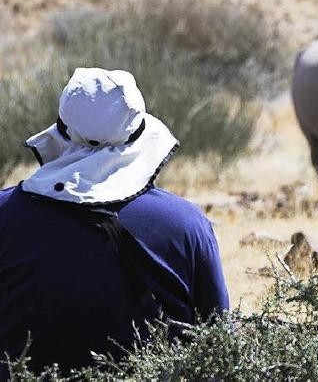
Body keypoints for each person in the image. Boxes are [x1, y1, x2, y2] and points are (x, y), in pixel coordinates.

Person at [0, 68, 229, 375]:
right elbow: (220, 342)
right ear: (141, 136)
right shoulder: (186, 224)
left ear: (62, 131)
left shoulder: (6, 213)